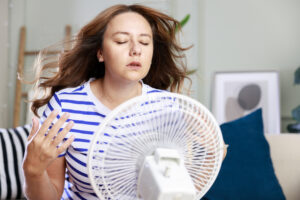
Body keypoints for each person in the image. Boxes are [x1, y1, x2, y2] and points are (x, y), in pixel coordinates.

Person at [22, 4, 192, 200]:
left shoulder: (167, 108)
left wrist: (210, 156)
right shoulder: (66, 106)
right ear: (100, 52)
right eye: (121, 41)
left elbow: (180, 190)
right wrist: (33, 171)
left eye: (145, 43)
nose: (136, 50)